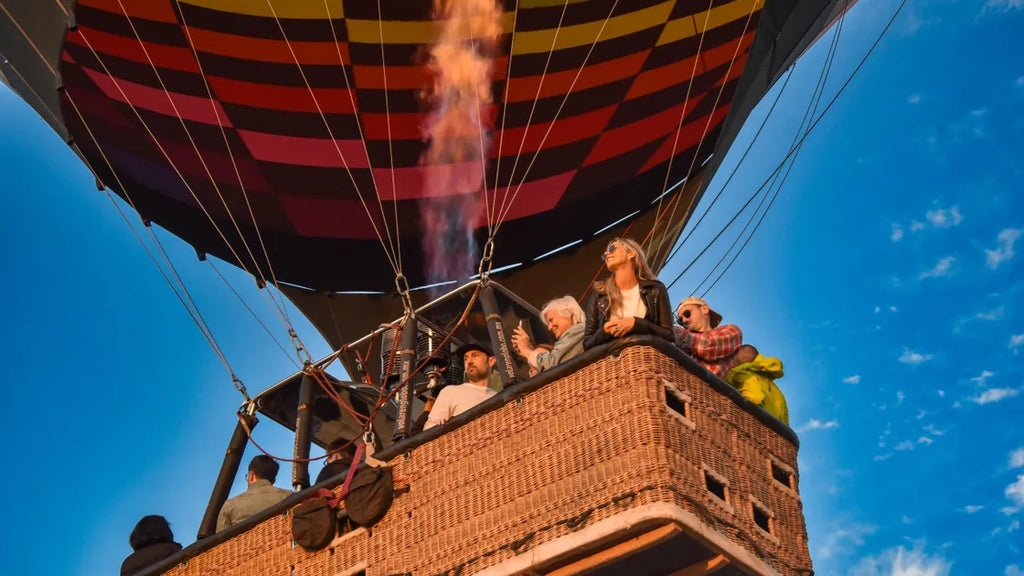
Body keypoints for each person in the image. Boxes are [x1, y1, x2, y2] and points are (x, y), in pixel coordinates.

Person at [583, 237, 675, 349]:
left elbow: (669, 335)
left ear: (631, 253)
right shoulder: (599, 295)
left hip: (647, 358)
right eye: (604, 254)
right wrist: (604, 332)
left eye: (612, 249)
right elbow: (587, 343)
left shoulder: (655, 289)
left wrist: (636, 324)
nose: (607, 253)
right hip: (613, 362)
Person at [424, 342, 498, 429]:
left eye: (475, 356)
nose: (469, 361)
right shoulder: (450, 392)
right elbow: (429, 431)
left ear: (491, 361)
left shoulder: (499, 397)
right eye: (465, 359)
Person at [511, 295, 586, 374]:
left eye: (551, 320)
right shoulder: (574, 337)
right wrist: (529, 352)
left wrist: (526, 350)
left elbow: (551, 364)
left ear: (569, 313)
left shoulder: (579, 330)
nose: (549, 328)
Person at [216, 455, 292, 532]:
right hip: (281, 542)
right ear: (273, 481)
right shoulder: (289, 496)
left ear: (251, 475)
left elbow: (220, 541)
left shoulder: (230, 505)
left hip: (244, 543)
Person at [674, 296, 744, 378]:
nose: (684, 321)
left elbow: (708, 346)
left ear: (704, 309)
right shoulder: (684, 336)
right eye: (680, 320)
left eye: (687, 314)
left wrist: (675, 331)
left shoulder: (732, 330)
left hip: (701, 387)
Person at [726, 344, 789, 425]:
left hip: (756, 428)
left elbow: (755, 399)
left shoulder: (741, 374)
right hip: (776, 435)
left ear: (742, 352)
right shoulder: (776, 390)